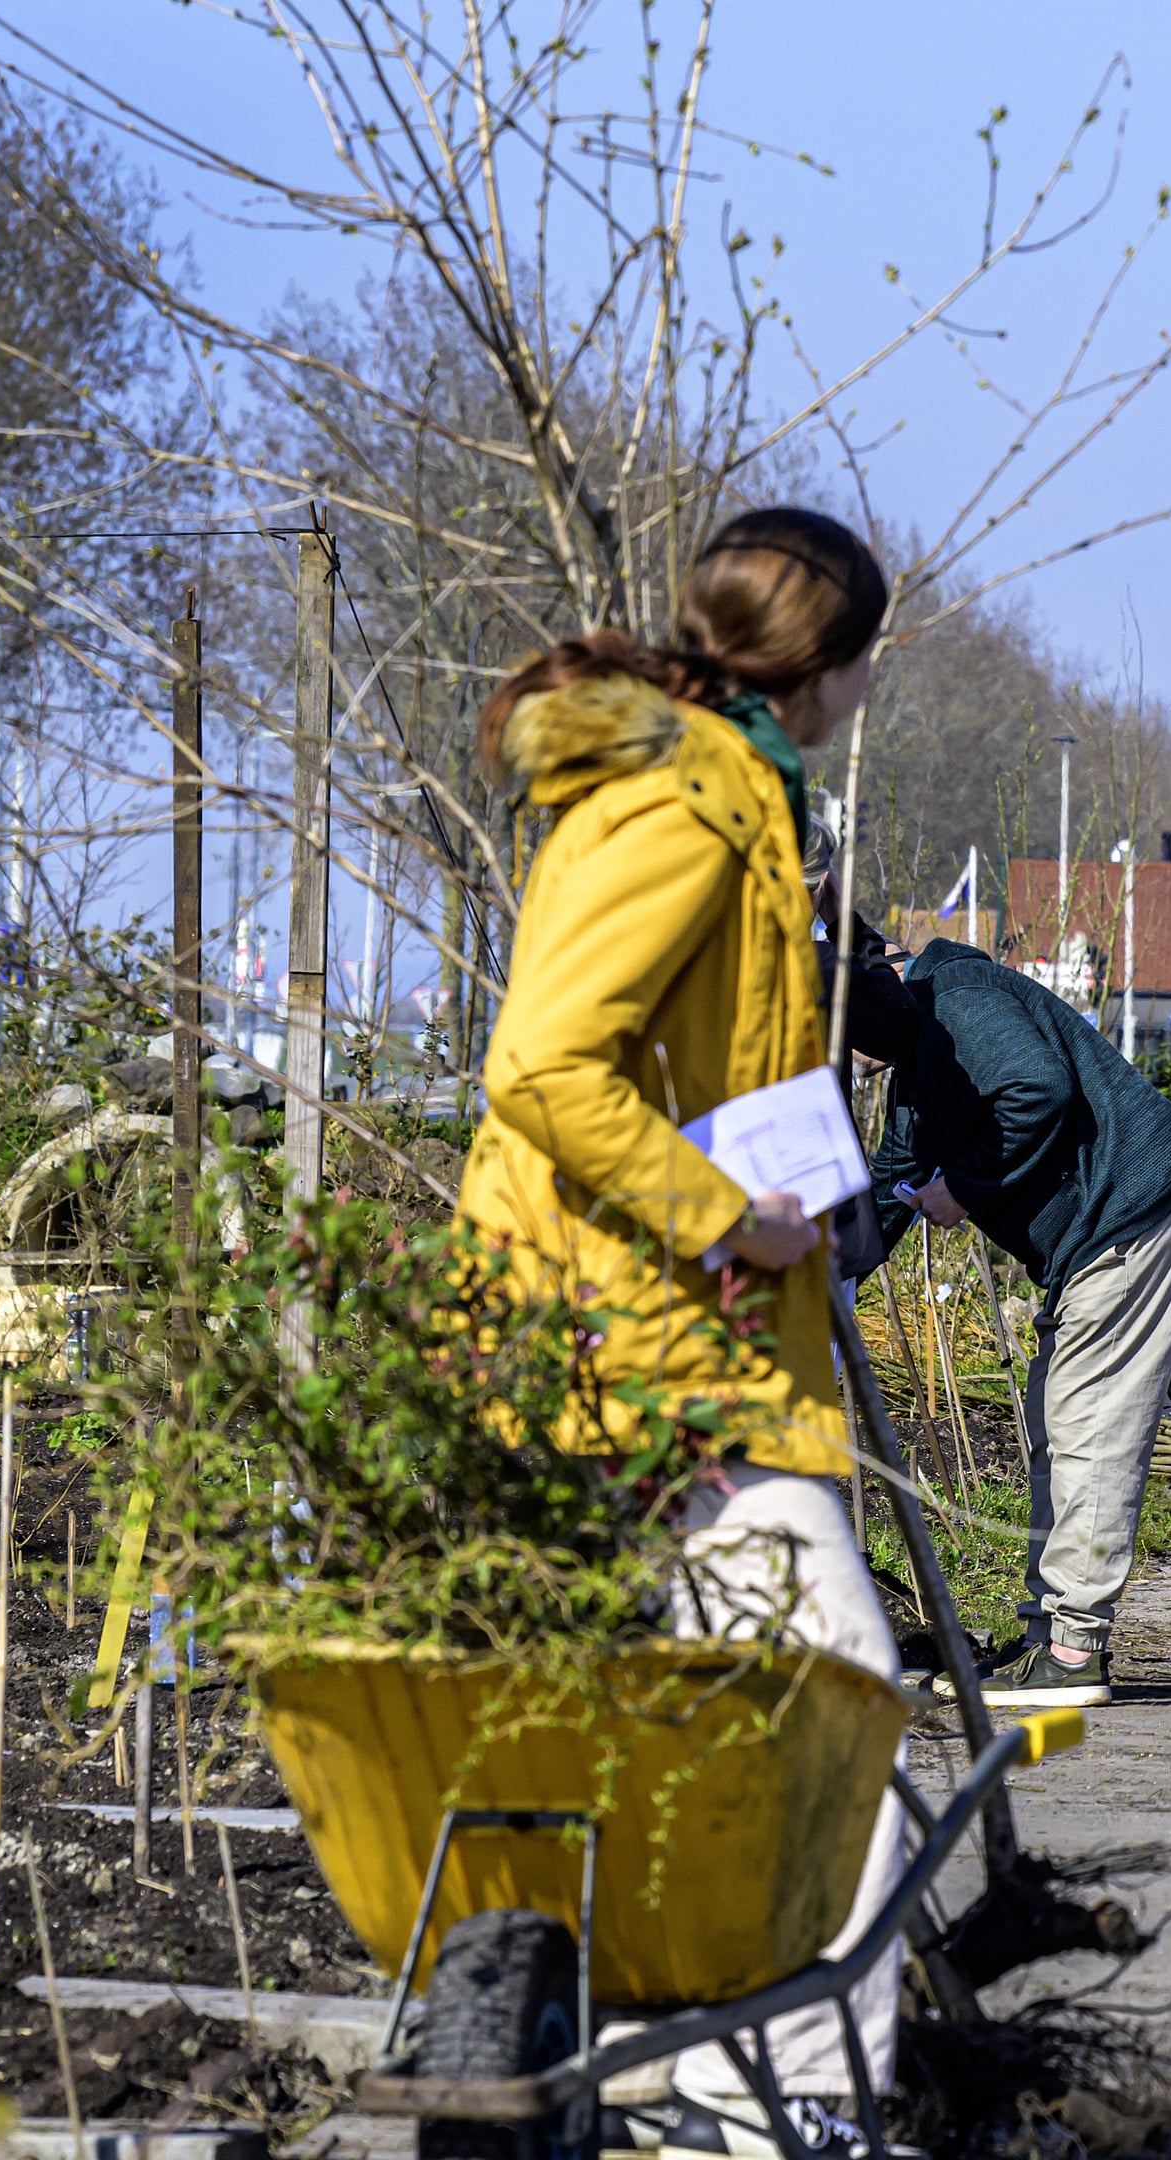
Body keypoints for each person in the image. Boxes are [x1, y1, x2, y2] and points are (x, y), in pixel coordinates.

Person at [455, 505, 907, 2152]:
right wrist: (726, 1215)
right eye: (868, 649)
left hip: (656, 1332)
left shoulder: (733, 796)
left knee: (685, 1720)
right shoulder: (685, 806)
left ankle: (665, 2080)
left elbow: (699, 1059)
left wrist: (799, 1196)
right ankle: (788, 2113)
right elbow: (545, 1067)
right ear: (825, 662)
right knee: (836, 1718)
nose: (872, 678)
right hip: (646, 1347)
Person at [849, 936, 1171, 1710]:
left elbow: (1036, 1088)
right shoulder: (920, 1062)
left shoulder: (957, 1000)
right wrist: (827, 1274)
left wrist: (965, 1187)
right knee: (1052, 1424)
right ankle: (1045, 1636)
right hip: (1100, 1233)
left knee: (1091, 1424)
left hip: (1135, 1214)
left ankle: (1074, 1650)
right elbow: (891, 1181)